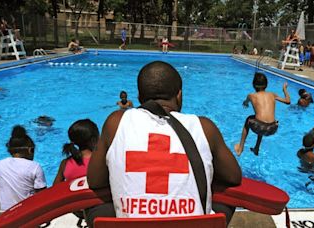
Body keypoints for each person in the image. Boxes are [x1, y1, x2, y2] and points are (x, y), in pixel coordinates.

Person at [87, 61, 241, 220]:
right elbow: (233, 177)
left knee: (95, 207)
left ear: (140, 98)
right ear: (179, 95)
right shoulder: (204, 127)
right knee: (225, 200)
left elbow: (95, 181)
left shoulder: (116, 122)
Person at [53, 119, 99, 227]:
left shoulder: (65, 163)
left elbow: (55, 189)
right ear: (94, 139)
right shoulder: (101, 160)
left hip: (76, 210)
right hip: (96, 209)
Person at [0, 125, 46, 210]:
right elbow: (43, 196)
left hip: (5, 215)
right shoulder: (35, 167)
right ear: (30, 150)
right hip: (27, 214)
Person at [234, 72, 290, 156]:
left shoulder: (251, 95)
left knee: (250, 119)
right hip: (273, 128)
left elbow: (246, 102)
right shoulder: (272, 94)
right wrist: (284, 89)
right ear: (266, 85)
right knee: (260, 120)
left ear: (253, 85)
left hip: (259, 128)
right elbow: (288, 101)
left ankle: (240, 148)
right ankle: (256, 148)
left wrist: (245, 103)